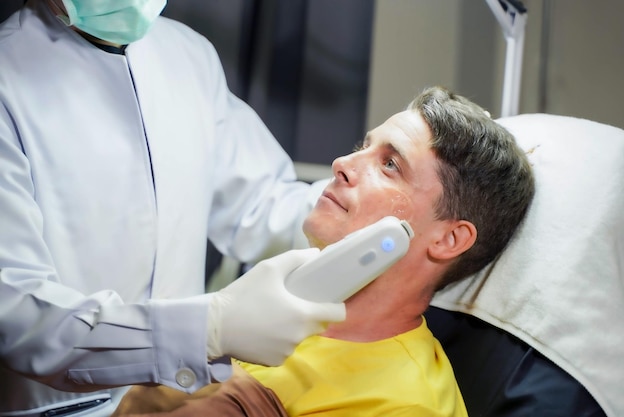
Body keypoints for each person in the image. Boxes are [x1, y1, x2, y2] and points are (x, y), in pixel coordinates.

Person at [0, 0, 346, 416]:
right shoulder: (8, 76)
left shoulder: (188, 56)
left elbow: (263, 204)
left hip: (183, 396)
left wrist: (374, 210)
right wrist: (206, 330)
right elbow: (18, 313)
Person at [112, 86, 536, 417]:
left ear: (448, 240)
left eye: (390, 164)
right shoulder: (267, 311)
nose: (342, 163)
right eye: (362, 147)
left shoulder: (403, 405)